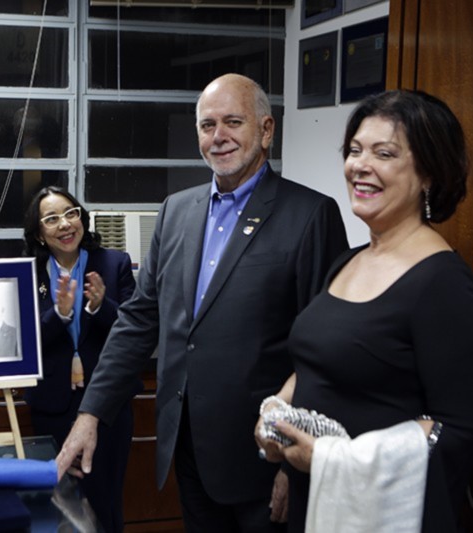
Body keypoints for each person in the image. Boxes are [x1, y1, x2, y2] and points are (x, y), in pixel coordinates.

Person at [55, 73, 348, 532]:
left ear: (266, 130)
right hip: (190, 452)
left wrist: (296, 466)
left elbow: (325, 352)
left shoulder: (310, 215)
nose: (219, 136)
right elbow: (139, 320)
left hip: (264, 459)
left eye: (233, 122)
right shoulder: (176, 211)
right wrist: (90, 415)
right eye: (208, 125)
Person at [255, 90, 473, 532]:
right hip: (314, 496)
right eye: (354, 150)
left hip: (374, 515)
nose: (360, 166)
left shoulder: (444, 285)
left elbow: (458, 431)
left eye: (384, 153)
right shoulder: (348, 261)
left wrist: (331, 460)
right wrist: (276, 412)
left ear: (429, 173)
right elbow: (314, 363)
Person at [23, 186, 137, 532]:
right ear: (39, 234)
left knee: (105, 503)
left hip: (106, 407)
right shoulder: (29, 273)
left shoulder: (114, 263)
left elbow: (134, 331)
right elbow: (25, 342)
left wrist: (101, 306)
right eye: (52, 219)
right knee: (61, 506)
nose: (65, 224)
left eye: (70, 214)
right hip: (53, 405)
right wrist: (58, 314)